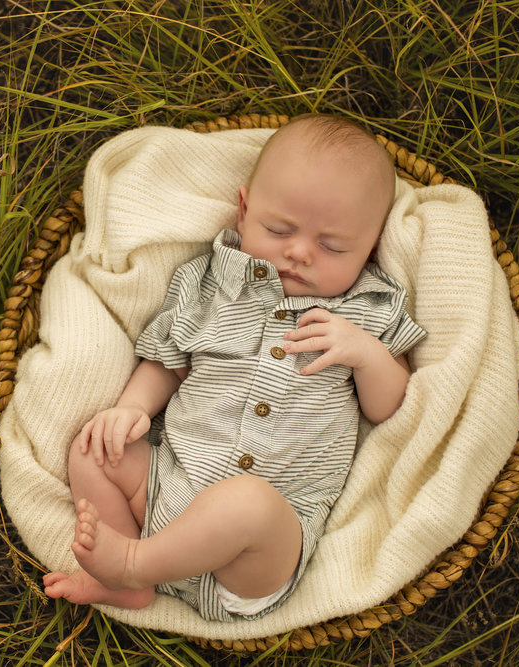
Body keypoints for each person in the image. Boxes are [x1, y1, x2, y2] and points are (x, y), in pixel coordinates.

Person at [43, 114, 427, 621]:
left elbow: (390, 408)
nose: (298, 253)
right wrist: (132, 408)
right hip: (166, 491)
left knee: (246, 502)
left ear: (371, 248)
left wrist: (367, 354)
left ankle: (134, 565)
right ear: (243, 211)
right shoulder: (209, 283)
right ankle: (125, 582)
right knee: (94, 449)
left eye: (332, 246)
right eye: (278, 229)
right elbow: (168, 360)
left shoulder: (368, 307)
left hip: (259, 552)